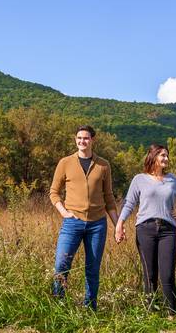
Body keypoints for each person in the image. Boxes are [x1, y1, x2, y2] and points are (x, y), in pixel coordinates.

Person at [115, 143, 176, 314]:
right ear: (153, 157)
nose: (166, 158)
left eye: (167, 155)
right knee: (150, 275)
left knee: (167, 274)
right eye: (162, 155)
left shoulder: (172, 179)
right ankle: (150, 313)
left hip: (168, 231)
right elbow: (129, 203)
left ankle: (171, 314)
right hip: (145, 230)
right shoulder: (139, 179)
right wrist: (120, 224)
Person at [49, 124, 119, 310]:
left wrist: (117, 225)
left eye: (86, 138)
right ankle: (58, 308)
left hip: (97, 225)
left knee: (92, 269)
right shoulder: (65, 163)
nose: (82, 141)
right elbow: (54, 193)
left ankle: (90, 309)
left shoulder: (104, 165)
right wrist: (64, 212)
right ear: (75, 140)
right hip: (72, 223)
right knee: (61, 265)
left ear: (92, 140)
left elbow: (109, 197)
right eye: (79, 138)